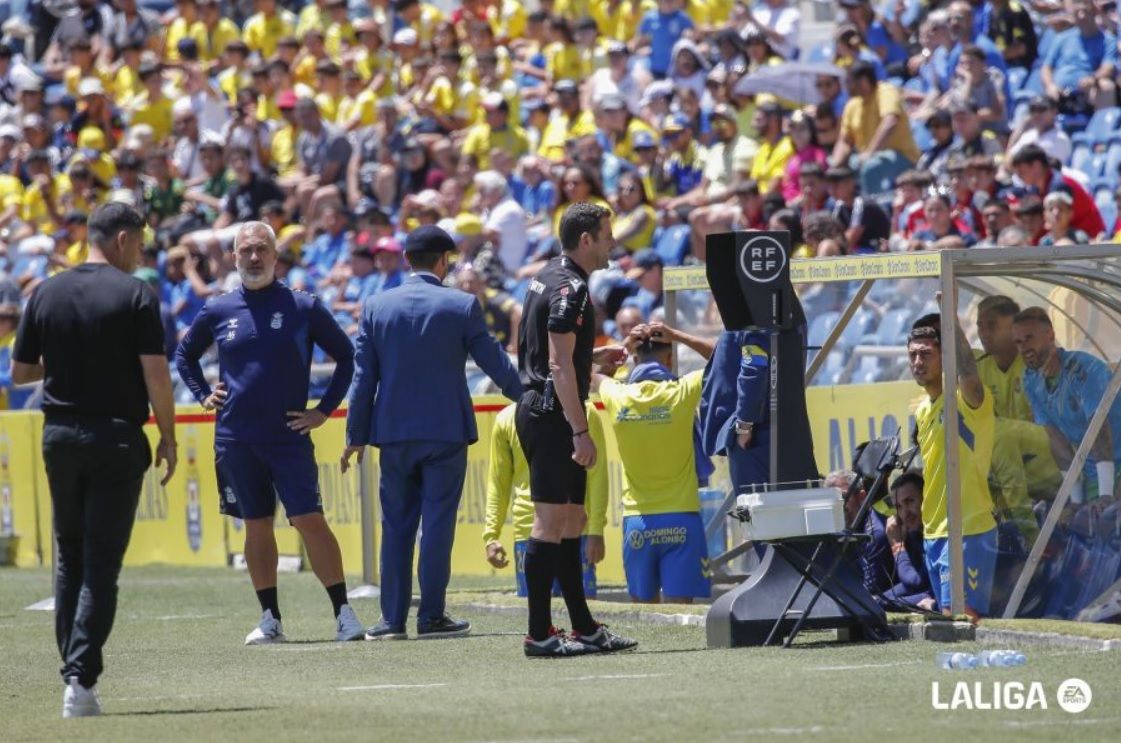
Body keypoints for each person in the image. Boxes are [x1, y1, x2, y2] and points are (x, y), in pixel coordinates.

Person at [12, 203, 177, 717]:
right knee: (101, 565)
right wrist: (168, 436)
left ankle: (74, 675)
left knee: (70, 559)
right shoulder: (135, 294)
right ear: (123, 239)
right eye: (141, 244)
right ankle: (80, 678)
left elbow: (19, 372)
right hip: (116, 437)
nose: (142, 254)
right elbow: (156, 374)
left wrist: (66, 358)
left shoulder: (46, 291)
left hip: (59, 435)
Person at [175, 221, 365, 645]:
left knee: (308, 520)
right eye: (246, 251)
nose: (254, 258)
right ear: (234, 257)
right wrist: (204, 395)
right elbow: (184, 355)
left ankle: (344, 613)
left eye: (262, 250)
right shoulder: (218, 308)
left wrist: (323, 411)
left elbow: (346, 357)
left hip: (288, 438)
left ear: (277, 256)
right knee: (255, 526)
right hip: (235, 439)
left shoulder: (303, 306)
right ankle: (269, 618)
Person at [342, 225, 523, 641]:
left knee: (396, 526)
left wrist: (355, 434)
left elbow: (363, 378)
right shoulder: (462, 305)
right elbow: (495, 363)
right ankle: (432, 616)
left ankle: (391, 620)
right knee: (438, 524)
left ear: (407, 260)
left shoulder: (374, 306)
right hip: (445, 431)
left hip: (393, 433)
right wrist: (528, 398)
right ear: (443, 261)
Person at [515, 202, 637, 657]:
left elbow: (550, 354)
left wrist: (595, 357)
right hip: (552, 416)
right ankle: (540, 634)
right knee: (550, 524)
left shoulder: (548, 274)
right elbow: (556, 364)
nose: (612, 243)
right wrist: (580, 431)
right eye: (607, 235)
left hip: (546, 408)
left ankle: (584, 627)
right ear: (586, 240)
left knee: (572, 521)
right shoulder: (572, 287)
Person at [593, 322, 715, 604]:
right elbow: (725, 357)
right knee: (682, 616)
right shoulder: (682, 392)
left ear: (634, 360)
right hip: (682, 517)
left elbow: (583, 371)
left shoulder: (618, 395)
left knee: (644, 618)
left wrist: (622, 345)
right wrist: (679, 335)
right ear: (670, 358)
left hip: (638, 521)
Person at [907, 319, 998, 618]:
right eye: (912, 355)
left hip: (968, 529)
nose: (918, 362)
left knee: (965, 618)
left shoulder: (966, 400)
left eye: (926, 354)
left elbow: (969, 372)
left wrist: (952, 318)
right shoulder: (921, 410)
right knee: (949, 620)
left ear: (945, 357)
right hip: (933, 532)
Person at [483, 400, 607, 599]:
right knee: (541, 616)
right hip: (533, 532)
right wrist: (490, 535)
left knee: (580, 614)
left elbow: (596, 474)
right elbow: (498, 484)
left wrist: (596, 530)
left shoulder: (585, 411)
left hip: (571, 532)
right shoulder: (506, 418)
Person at [1013, 307, 1121, 502]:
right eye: (1018, 342)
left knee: (1108, 522)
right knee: (1082, 524)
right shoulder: (1030, 381)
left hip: (1114, 462)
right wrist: (1074, 502)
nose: (1024, 348)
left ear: (1050, 335)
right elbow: (1057, 441)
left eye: (1029, 338)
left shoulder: (1084, 369)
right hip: (1093, 470)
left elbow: (1099, 431)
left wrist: (1106, 496)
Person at [832, 60, 919, 195]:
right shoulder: (852, 105)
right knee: (841, 173)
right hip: (865, 157)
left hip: (902, 157)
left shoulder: (886, 91)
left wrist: (870, 153)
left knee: (870, 168)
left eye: (849, 82)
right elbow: (845, 141)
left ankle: (874, 210)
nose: (846, 87)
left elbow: (890, 121)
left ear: (863, 80)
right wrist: (835, 166)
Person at [884, 472, 936, 609]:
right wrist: (877, 599)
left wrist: (896, 546)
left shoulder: (936, 533)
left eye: (909, 501)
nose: (905, 513)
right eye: (899, 507)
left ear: (925, 498)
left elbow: (916, 582)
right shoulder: (914, 533)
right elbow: (910, 585)